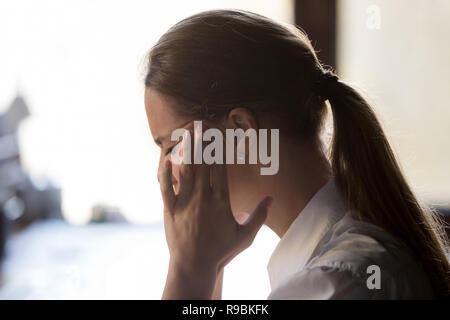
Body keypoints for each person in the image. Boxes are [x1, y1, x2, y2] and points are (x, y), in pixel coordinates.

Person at [143, 9, 450, 299]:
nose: (164, 171)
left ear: (241, 132)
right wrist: (209, 263)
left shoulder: (338, 282)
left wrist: (188, 272)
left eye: (171, 146)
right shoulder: (351, 261)